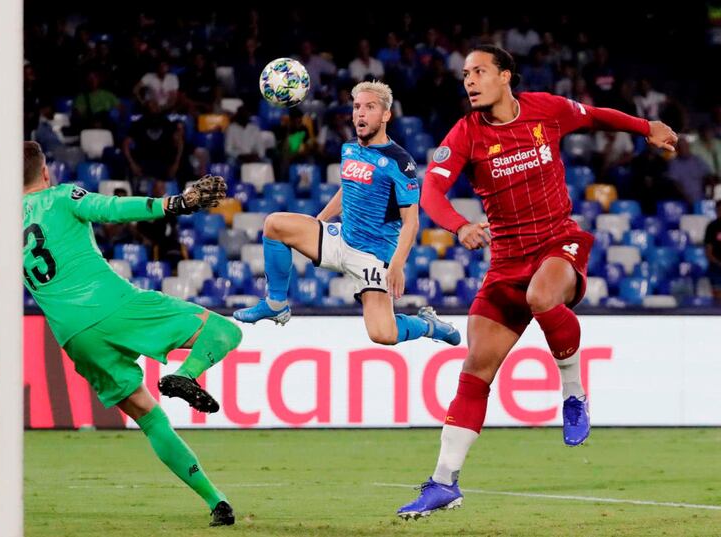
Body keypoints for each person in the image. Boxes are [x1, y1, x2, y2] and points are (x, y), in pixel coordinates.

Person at [396, 44, 678, 519]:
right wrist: (458, 225)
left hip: (558, 242)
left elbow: (595, 115)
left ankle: (573, 393)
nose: (469, 80)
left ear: (506, 76)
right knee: (474, 372)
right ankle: (444, 482)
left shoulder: (546, 109)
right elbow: (431, 189)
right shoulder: (466, 133)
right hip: (505, 262)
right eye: (466, 73)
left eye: (480, 71)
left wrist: (645, 127)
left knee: (543, 295)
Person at [0, 141, 238, 527]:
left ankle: (216, 501)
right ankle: (184, 375)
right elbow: (113, 209)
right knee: (223, 330)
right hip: (114, 306)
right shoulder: (62, 196)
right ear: (45, 173)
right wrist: (176, 204)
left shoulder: (1, 224)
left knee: (148, 417)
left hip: (74, 337)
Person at [233, 81, 460, 347]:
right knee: (275, 225)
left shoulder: (400, 161)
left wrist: (397, 264)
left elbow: (412, 221)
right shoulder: (349, 148)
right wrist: (319, 220)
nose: (360, 113)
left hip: (372, 256)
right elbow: (348, 188)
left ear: (386, 115)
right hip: (342, 239)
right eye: (356, 107)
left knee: (383, 334)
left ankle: (429, 325)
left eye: (370, 107)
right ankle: (276, 303)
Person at [704, 200, 721, 305]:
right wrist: (719, 263)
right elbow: (708, 251)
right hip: (716, 266)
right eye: (719, 209)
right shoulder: (712, 227)